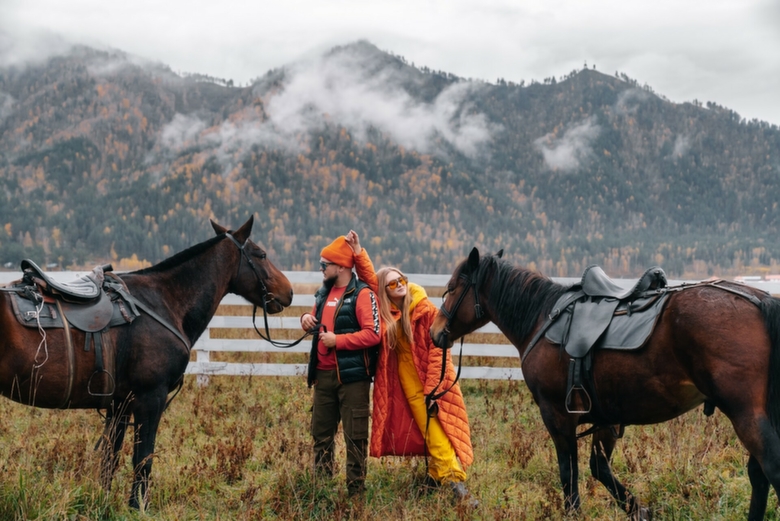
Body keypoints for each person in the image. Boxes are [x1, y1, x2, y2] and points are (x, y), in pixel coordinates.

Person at [344, 230, 476, 504]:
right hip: (403, 385)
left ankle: (456, 486)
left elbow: (438, 352)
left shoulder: (424, 310)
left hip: (430, 384)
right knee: (423, 429)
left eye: (401, 280)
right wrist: (358, 252)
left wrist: (433, 390)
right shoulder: (387, 311)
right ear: (385, 292)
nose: (399, 285)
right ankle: (434, 479)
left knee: (437, 432)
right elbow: (371, 280)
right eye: (391, 284)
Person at [300, 236, 381, 497]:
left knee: (355, 438)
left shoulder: (363, 294)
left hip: (352, 379)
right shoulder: (324, 292)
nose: (321, 269)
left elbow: (373, 334)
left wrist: (339, 341)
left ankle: (355, 493)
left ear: (343, 266)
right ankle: (321, 491)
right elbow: (313, 315)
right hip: (323, 376)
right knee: (321, 435)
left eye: (325, 264)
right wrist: (305, 319)